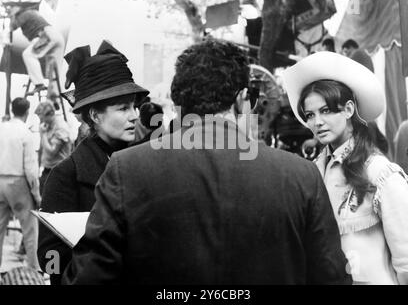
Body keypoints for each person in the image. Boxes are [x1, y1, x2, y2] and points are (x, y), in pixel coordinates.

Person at [62, 39, 351, 285]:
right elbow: (331, 276)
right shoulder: (301, 175)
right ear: (240, 100)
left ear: (178, 102)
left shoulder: (127, 169)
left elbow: (89, 276)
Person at [282, 51, 408, 284]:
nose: (317, 122)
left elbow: (406, 260)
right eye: (310, 114)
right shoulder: (313, 172)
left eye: (326, 110)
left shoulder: (380, 173)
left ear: (349, 110)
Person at [37, 40, 149, 285]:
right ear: (96, 116)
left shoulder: (144, 164)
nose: (134, 116)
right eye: (123, 108)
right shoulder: (65, 175)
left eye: (134, 106)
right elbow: (48, 256)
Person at [0, 98, 41, 271]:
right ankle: (34, 269)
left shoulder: (1, 128)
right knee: (30, 229)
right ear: (27, 112)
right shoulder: (26, 132)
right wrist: (37, 194)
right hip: (18, 183)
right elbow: (31, 169)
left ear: (12, 109)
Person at [9, 5, 65, 100]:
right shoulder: (31, 13)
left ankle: (39, 84)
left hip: (48, 36)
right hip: (56, 37)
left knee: (28, 54)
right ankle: (53, 97)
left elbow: (12, 27)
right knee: (52, 69)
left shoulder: (23, 15)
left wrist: (12, 16)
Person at [34, 101, 72, 194]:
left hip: (58, 171)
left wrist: (42, 134)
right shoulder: (48, 125)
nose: (40, 121)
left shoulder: (60, 127)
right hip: (48, 169)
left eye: (41, 117)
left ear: (48, 115)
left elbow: (51, 152)